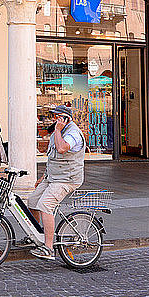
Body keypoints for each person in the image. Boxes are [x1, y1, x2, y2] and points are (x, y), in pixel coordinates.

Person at [27, 104, 85, 261]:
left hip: (67, 179)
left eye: (57, 116)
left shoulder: (73, 133)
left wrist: (58, 129)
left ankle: (48, 247)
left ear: (65, 119)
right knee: (32, 201)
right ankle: (38, 234)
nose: (53, 119)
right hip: (53, 177)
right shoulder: (56, 133)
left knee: (45, 205)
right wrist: (42, 177)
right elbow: (52, 158)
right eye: (53, 116)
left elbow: (61, 149)